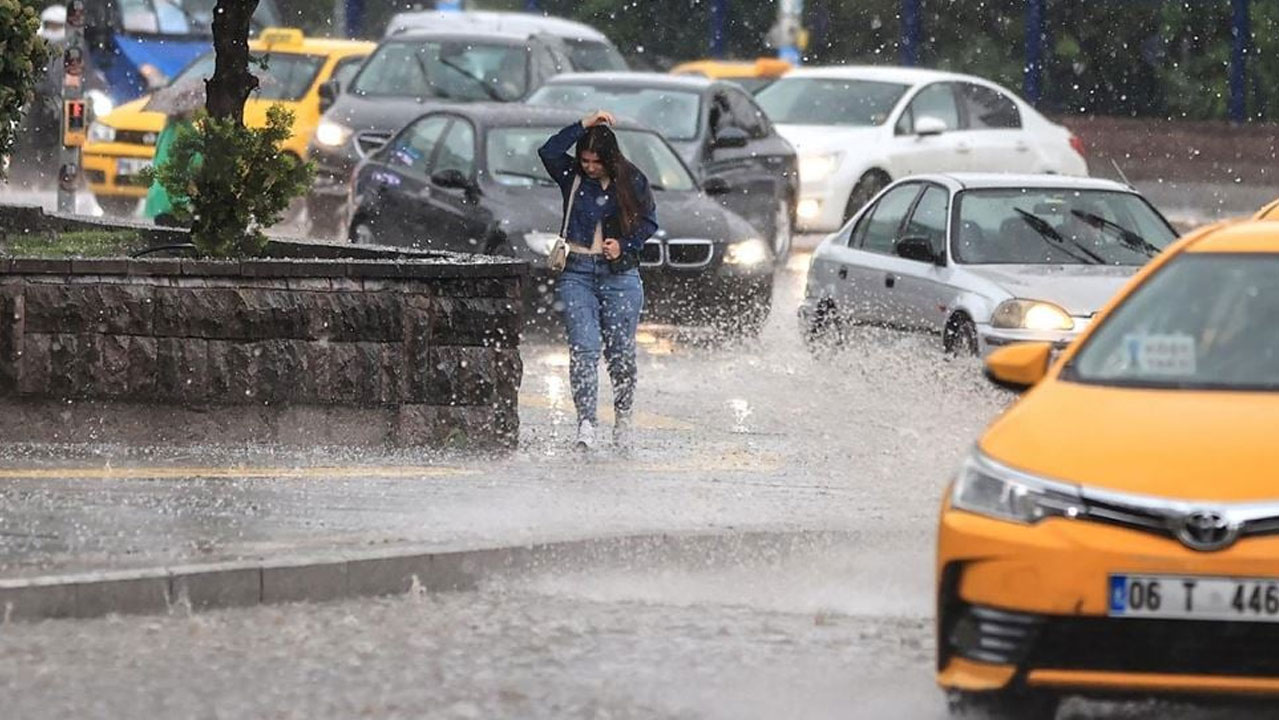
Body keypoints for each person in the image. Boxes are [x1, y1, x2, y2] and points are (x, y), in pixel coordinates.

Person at [539, 111, 659, 452]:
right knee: (583, 350)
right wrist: (583, 125)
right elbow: (548, 151)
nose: (589, 167)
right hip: (576, 272)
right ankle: (586, 423)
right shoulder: (572, 177)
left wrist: (625, 243)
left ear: (609, 158)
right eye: (585, 160)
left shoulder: (631, 180)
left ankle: (623, 417)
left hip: (620, 275)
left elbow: (650, 222)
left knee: (621, 355)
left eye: (595, 161)